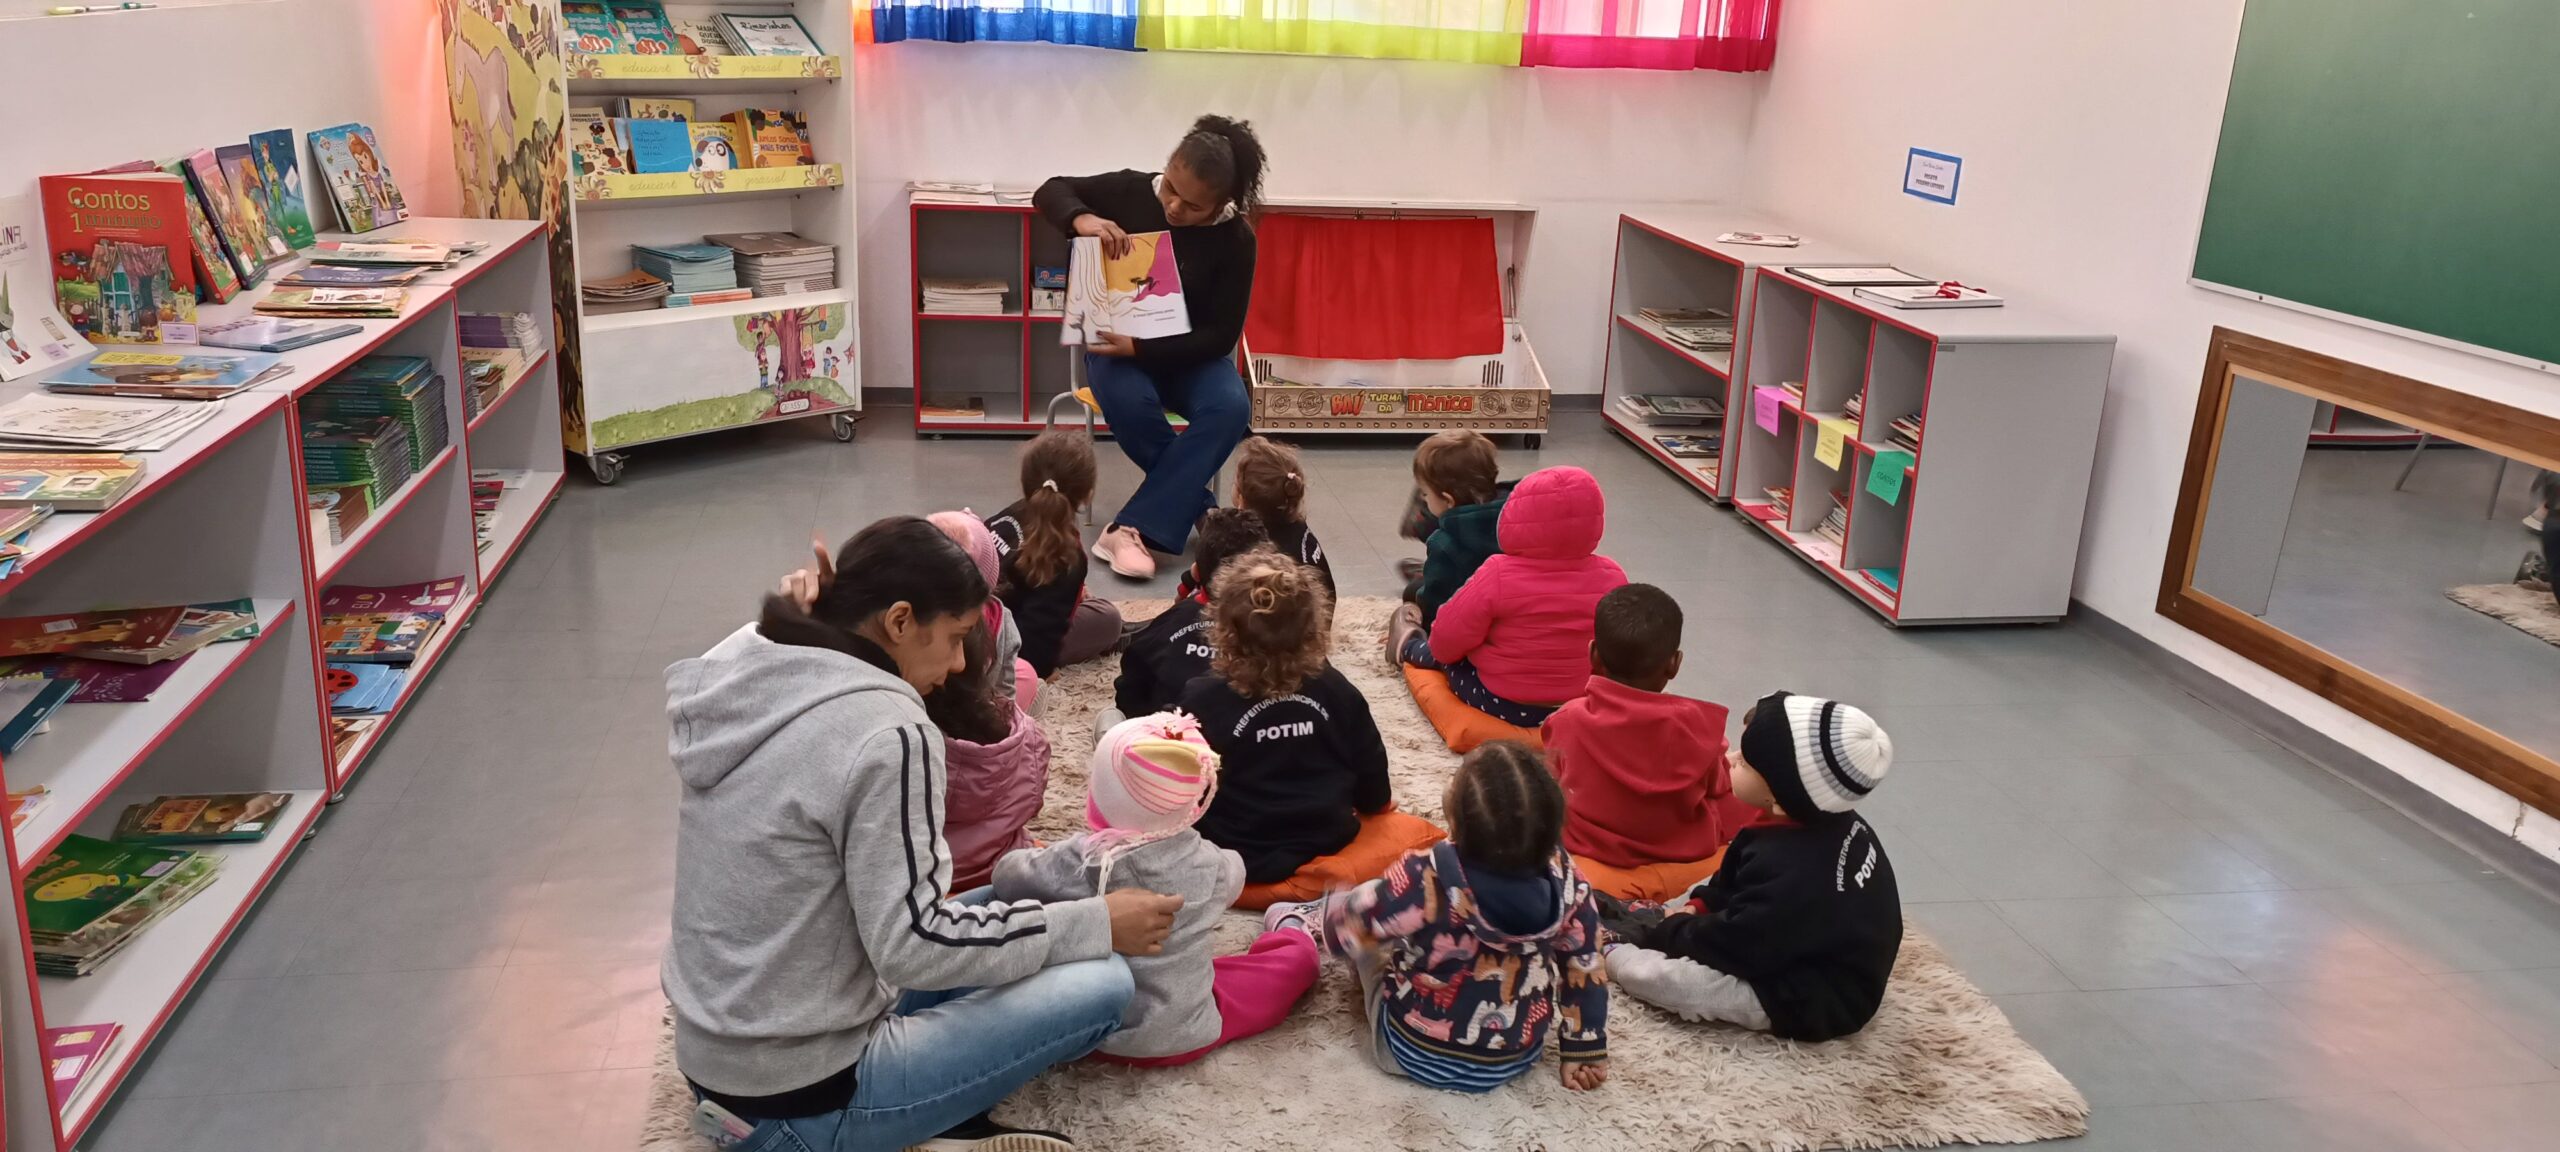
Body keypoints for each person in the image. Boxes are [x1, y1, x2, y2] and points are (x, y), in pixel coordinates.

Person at [667, 516, 1184, 1152]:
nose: (962, 661)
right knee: (1104, 981)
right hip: (806, 1102)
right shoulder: (889, 729)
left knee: (1021, 902)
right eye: (958, 636)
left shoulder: (753, 662)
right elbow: (914, 946)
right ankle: (906, 1129)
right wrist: (1096, 923)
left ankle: (924, 1118)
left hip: (721, 1064)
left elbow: (898, 934)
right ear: (901, 621)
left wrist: (1075, 919)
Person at [1266, 741, 1609, 1094]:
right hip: (1513, 1058)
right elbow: (1585, 965)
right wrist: (1585, 1045)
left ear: (1456, 823)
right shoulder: (1570, 882)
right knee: (1403, 914)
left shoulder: (1424, 875)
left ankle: (1304, 923)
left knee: (1372, 909)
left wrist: (1339, 911)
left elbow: (1350, 933)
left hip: (1409, 1050)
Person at [994, 713, 1319, 1064]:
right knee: (1292, 965)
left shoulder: (1080, 860)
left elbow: (1006, 877)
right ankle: (1293, 930)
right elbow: (1235, 873)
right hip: (1189, 1027)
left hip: (1095, 1033)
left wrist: (1035, 855)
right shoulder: (1207, 862)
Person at [1036, 114, 1267, 579]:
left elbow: (1220, 336)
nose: (1175, 206)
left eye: (1193, 205)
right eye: (1170, 190)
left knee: (1231, 407)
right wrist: (1083, 219)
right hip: (1113, 350)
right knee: (1129, 399)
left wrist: (1142, 349)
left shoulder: (1237, 239)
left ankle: (1128, 529)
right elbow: (1051, 189)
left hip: (1188, 358)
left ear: (1223, 204)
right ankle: (1199, 509)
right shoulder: (1129, 190)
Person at [1603, 692, 1901, 1043]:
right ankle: (1654, 920)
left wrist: (1673, 932)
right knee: (1690, 910)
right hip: (1788, 936)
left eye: (1744, 762)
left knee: (1674, 984)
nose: (1729, 759)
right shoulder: (1808, 816)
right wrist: (1699, 906)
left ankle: (1612, 950)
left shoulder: (1798, 875)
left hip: (1813, 994)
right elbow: (1737, 871)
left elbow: (1739, 946)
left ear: (1780, 794)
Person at [1178, 551, 1396, 886]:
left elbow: (1181, 785)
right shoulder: (1338, 692)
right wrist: (1377, 803)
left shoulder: (1200, 700)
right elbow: (1371, 772)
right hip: (1328, 836)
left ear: (1224, 632)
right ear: (1314, 629)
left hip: (1235, 847)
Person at [1542, 585, 1757, 903]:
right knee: (1750, 794)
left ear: (1593, 655)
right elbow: (1718, 786)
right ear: (1674, 664)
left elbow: (1555, 782)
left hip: (1591, 844)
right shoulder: (1696, 726)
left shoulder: (1566, 720)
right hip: (1680, 844)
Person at [1403, 466, 1627, 728]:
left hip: (1503, 703)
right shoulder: (1613, 576)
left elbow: (1447, 641)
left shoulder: (1497, 571)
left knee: (1442, 655)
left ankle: (1406, 645)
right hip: (1580, 701)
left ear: (1513, 514)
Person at [928, 602, 1051, 893]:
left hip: (929, 881)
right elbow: (1032, 805)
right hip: (1003, 870)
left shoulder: (898, 745)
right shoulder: (1029, 738)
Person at [985, 430, 1122, 678]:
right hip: (1005, 644)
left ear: (1026, 482)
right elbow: (1039, 641)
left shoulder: (1012, 512)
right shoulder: (1069, 557)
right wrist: (1043, 671)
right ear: (1088, 493)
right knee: (1109, 619)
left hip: (977, 622)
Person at [1114, 508, 1270, 724]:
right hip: (1250, 744)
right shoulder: (1283, 634)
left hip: (1171, 742)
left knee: (1112, 720)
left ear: (1196, 571)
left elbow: (1130, 683)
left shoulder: (1171, 622)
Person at [1386, 429, 1511, 664]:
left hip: (1471, 616)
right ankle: (1426, 565)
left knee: (1413, 591)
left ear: (1448, 499)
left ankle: (1409, 642)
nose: (1424, 498)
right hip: (1507, 607)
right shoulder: (1516, 511)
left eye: (1425, 494)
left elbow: (1436, 604)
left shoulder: (1445, 542)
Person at [1184, 435, 1331, 599]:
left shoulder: (1242, 542)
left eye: (1235, 482)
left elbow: (1205, 578)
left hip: (1275, 620)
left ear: (1241, 500)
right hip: (1317, 617)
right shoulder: (1297, 523)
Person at [928, 510, 1030, 711]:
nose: (959, 663)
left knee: (1025, 671)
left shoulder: (918, 616)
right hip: (980, 715)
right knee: (1027, 674)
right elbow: (1005, 694)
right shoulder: (1001, 618)